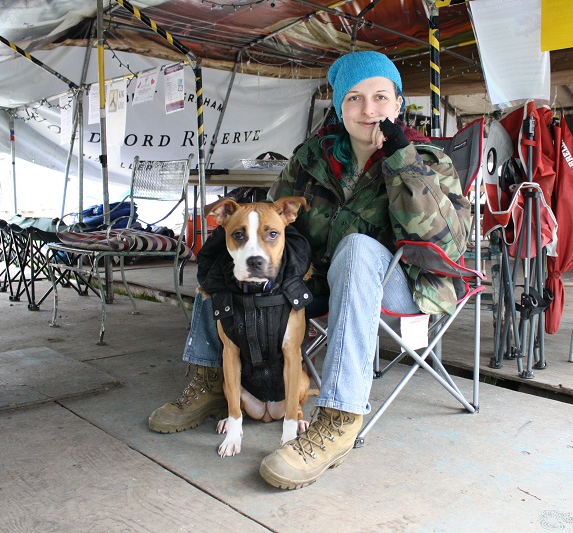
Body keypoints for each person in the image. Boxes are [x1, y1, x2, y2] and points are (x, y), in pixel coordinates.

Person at [148, 50, 472, 489]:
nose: (368, 109)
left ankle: (339, 416)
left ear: (398, 103)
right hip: (315, 281)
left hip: (406, 283)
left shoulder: (428, 160)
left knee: (358, 249)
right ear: (340, 107)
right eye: (354, 98)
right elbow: (274, 221)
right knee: (231, 244)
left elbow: (446, 244)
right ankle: (212, 379)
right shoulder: (312, 157)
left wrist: (401, 162)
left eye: (380, 97)